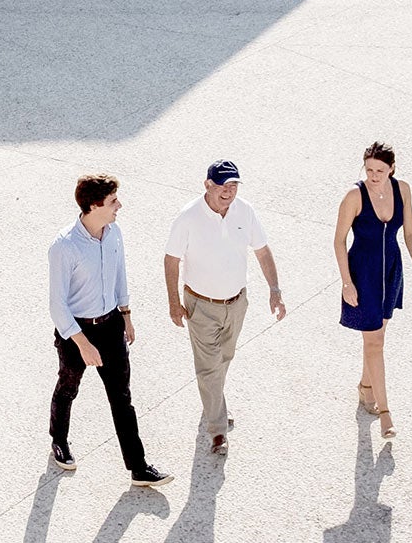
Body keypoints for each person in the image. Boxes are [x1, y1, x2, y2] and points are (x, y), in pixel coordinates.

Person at [49, 174, 173, 487]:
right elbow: (57, 305)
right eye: (114, 201)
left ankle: (138, 468)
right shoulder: (64, 246)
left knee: (122, 397)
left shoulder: (114, 232)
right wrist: (82, 344)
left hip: (111, 325)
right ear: (93, 206)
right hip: (76, 331)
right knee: (68, 387)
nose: (120, 206)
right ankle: (59, 441)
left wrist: (127, 315)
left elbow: (120, 274)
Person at [164, 160, 285, 455]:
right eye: (223, 186)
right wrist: (173, 303)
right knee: (208, 368)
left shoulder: (245, 210)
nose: (229, 192)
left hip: (237, 302)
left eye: (233, 186)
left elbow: (262, 249)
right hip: (200, 306)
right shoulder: (188, 217)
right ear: (207, 184)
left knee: (224, 358)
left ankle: (213, 403)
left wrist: (275, 290)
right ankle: (217, 431)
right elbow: (171, 260)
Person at [334, 140, 412, 440]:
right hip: (363, 274)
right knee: (374, 343)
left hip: (391, 271)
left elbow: (410, 232)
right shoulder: (354, 195)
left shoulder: (403, 190)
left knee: (378, 336)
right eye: (369, 169)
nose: (373, 175)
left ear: (392, 169)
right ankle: (385, 413)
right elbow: (339, 240)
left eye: (380, 170)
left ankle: (366, 387)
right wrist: (347, 282)